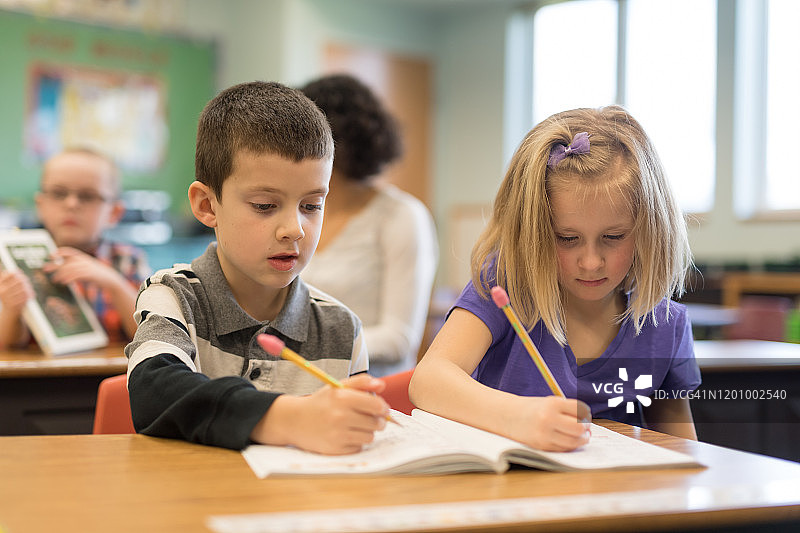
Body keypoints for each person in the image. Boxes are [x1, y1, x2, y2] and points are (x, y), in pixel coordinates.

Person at [409, 106, 700, 452]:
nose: (590, 263)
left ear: (649, 229)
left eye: (613, 237)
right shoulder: (506, 287)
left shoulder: (665, 324)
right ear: (532, 232)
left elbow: (682, 451)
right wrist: (518, 417)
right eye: (567, 238)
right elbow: (428, 380)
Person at [124, 81, 390, 453]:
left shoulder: (342, 329)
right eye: (265, 206)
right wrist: (288, 419)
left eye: (311, 206)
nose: (294, 229)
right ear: (207, 206)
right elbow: (153, 393)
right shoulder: (174, 297)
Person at [300, 74, 438, 377]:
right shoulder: (303, 213)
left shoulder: (402, 216)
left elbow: (400, 339)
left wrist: (304, 345)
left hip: (372, 386)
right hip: (303, 383)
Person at [0, 148, 150, 349]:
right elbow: (10, 345)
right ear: (40, 205)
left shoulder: (127, 260)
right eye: (58, 193)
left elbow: (150, 335)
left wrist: (113, 282)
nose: (71, 204)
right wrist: (12, 310)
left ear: (114, 213)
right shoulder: (15, 260)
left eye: (88, 196)